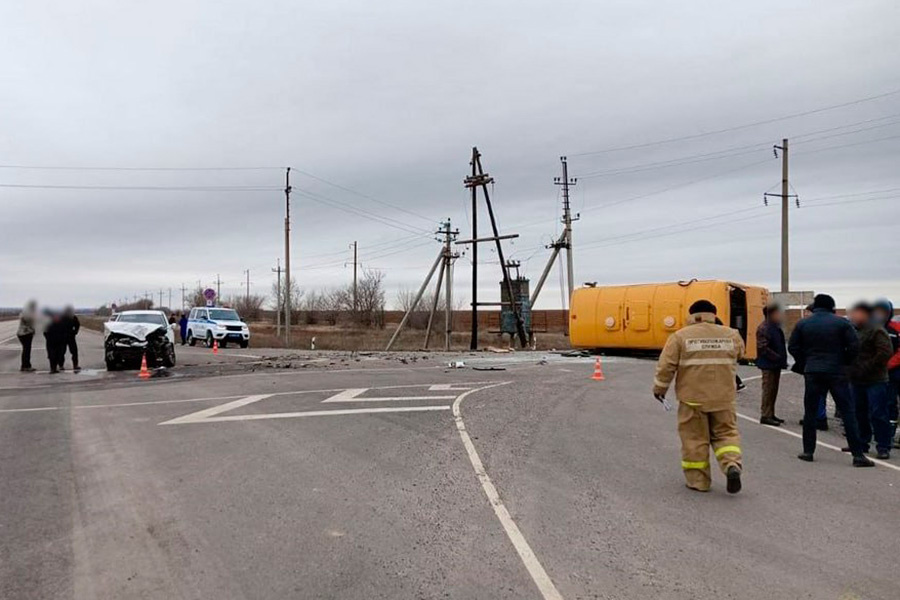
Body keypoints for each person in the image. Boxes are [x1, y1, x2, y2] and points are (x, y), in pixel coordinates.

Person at [653, 300, 745, 494]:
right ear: (714, 314)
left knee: (694, 440)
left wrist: (659, 390)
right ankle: (731, 465)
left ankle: (699, 481)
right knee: (726, 434)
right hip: (723, 399)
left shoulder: (679, 337)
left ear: (691, 315)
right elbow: (740, 355)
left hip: (692, 400)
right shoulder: (732, 335)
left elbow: (666, 367)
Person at [788, 294, 874, 467]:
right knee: (848, 412)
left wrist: (806, 362)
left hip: (813, 371)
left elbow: (793, 347)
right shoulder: (842, 323)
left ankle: (808, 451)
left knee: (810, 412)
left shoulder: (803, 323)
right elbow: (854, 346)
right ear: (832, 307)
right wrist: (845, 362)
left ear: (816, 306)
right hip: (837, 371)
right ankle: (858, 455)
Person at [846, 302, 893, 459]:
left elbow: (885, 352)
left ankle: (883, 446)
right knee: (859, 412)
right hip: (857, 379)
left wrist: (866, 367)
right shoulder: (853, 330)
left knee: (878, 413)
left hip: (875, 379)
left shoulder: (876, 330)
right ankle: (861, 442)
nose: (854, 316)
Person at [872, 299, 899, 449]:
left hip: (893, 372)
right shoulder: (871, 328)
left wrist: (887, 365)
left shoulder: (896, 329)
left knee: (890, 404)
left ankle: (890, 435)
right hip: (877, 374)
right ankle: (883, 435)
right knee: (882, 405)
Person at [756, 303, 788, 426]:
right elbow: (762, 347)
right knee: (768, 390)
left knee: (773, 390)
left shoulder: (775, 327)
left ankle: (771, 413)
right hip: (768, 364)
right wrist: (777, 357)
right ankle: (765, 415)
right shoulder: (764, 327)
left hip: (775, 364)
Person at [43, 310, 67, 374]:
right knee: (52, 355)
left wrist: (63, 339)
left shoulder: (62, 324)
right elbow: (45, 332)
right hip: (51, 342)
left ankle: (55, 367)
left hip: (59, 342)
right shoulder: (49, 324)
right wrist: (48, 338)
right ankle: (52, 368)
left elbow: (65, 332)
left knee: (58, 355)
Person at [17, 299, 37, 372]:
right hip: (25, 333)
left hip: (24, 333)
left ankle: (26, 365)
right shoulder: (28, 313)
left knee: (26, 350)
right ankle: (26, 366)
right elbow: (30, 321)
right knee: (26, 350)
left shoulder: (25, 312)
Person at [61, 305, 81, 373]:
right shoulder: (63, 317)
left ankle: (75, 365)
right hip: (65, 336)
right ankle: (61, 365)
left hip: (69, 336)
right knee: (62, 351)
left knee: (73, 351)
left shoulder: (72, 317)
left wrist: (75, 332)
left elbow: (77, 325)